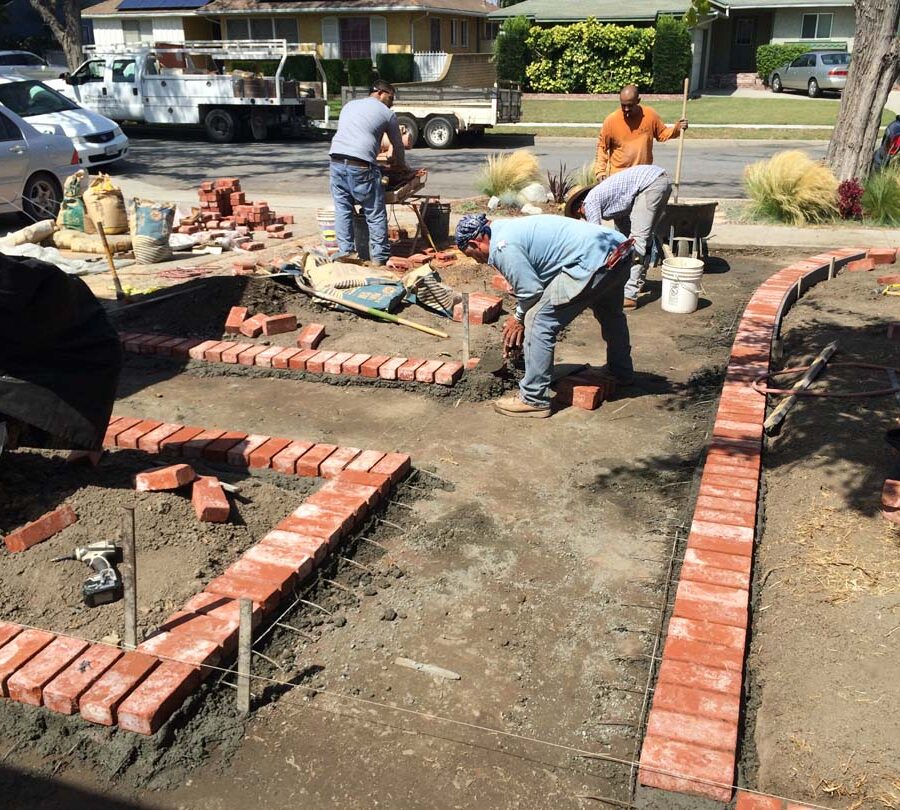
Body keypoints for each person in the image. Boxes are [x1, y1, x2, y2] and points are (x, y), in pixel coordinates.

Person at [455, 214, 635, 419]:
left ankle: (533, 399)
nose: (478, 261)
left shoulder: (501, 247)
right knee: (610, 314)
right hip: (619, 249)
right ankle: (620, 371)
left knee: (538, 320)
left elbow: (531, 292)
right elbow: (546, 263)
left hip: (595, 260)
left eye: (472, 255)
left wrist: (518, 319)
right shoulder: (504, 228)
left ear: (475, 242)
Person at [329, 79, 406, 266]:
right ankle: (379, 258)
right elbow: (398, 145)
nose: (392, 101)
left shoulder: (349, 105)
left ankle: (346, 252)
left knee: (343, 209)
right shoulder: (387, 114)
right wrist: (402, 167)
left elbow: (354, 134)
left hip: (336, 161)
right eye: (391, 97)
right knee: (375, 212)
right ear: (380, 92)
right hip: (361, 166)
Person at [577, 165, 672, 309]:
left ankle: (629, 295)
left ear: (579, 206)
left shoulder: (589, 202)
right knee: (644, 239)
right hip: (660, 180)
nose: (582, 218)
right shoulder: (607, 199)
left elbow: (597, 239)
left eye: (579, 214)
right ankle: (637, 283)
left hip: (650, 184)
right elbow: (621, 233)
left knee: (637, 240)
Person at [594, 84, 687, 181]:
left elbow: (662, 134)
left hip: (643, 175)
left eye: (630, 106)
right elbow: (602, 147)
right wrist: (600, 171)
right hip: (618, 175)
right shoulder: (612, 120)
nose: (626, 109)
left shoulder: (650, 115)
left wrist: (678, 128)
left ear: (638, 101)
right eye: (623, 105)